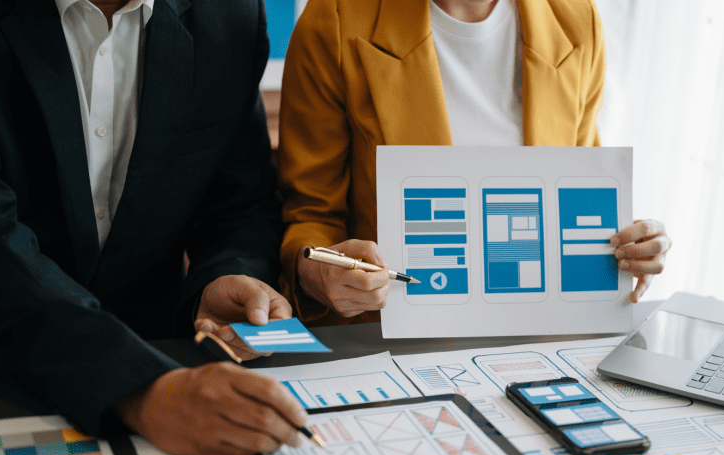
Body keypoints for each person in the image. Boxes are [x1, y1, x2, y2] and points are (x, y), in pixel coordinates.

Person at [0, 0, 307, 455]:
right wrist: (136, 385)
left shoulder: (228, 15)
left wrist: (221, 276)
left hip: (169, 379)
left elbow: (239, 202)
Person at [279, 0, 672, 324]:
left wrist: (625, 249)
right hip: (385, 338)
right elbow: (310, 214)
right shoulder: (333, 21)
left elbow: (575, 195)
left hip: (541, 334)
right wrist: (318, 271)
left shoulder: (575, 19)